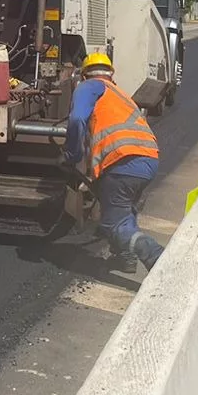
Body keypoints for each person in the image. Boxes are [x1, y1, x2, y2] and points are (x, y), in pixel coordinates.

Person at [63, 53, 164, 272]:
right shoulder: (120, 94)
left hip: (123, 162)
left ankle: (155, 255)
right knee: (124, 211)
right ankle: (125, 258)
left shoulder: (89, 86)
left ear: (84, 74)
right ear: (111, 74)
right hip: (149, 160)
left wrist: (71, 154)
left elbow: (77, 118)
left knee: (113, 223)